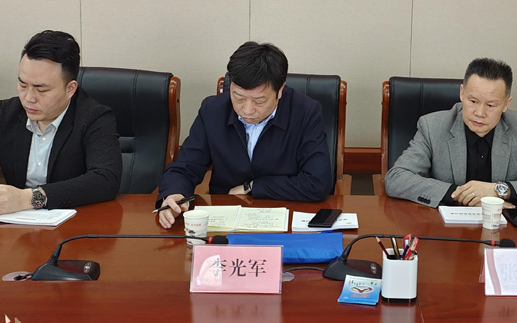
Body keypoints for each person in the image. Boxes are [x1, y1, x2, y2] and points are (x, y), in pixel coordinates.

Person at [157, 41, 330, 228]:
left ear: (280, 90)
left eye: (259, 101)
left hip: (284, 217)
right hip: (225, 219)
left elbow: (317, 182)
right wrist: (174, 193)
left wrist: (253, 187)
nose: (247, 110)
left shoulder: (305, 112)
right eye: (238, 97)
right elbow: (185, 167)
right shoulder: (213, 110)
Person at [384, 58, 517, 209]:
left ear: (506, 104)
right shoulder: (432, 126)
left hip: (501, 228)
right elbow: (396, 178)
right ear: (462, 93)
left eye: (491, 105)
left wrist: (497, 191)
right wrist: (465, 195)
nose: (480, 113)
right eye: (473, 101)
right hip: (444, 228)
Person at [0, 30, 121, 214]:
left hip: (75, 223)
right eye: (23, 85)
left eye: (41, 90)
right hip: (17, 226)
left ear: (70, 89)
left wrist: (29, 198)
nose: (29, 98)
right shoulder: (6, 113)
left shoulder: (95, 118)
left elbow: (105, 179)